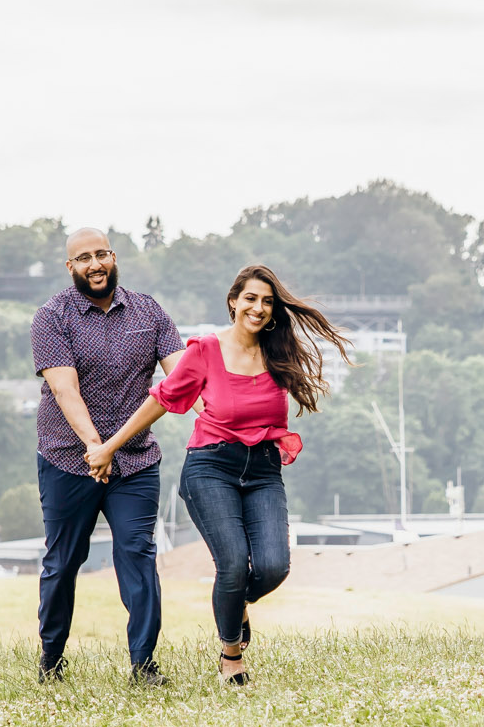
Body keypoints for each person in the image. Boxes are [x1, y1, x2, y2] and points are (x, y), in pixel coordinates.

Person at [94, 264, 351, 686]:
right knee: (231, 564)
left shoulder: (277, 351)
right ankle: (232, 654)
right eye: (251, 298)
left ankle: (235, 603)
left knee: (273, 566)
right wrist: (109, 446)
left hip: (264, 469)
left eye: (268, 302)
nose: (259, 308)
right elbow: (162, 400)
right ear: (234, 302)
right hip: (211, 466)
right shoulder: (206, 350)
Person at [31, 226, 186, 684]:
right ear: (71, 267)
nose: (94, 264)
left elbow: (180, 380)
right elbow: (64, 389)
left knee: (137, 554)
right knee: (63, 562)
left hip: (136, 462)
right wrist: (96, 448)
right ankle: (52, 661)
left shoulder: (149, 311)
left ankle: (144, 665)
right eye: (84, 258)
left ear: (114, 257)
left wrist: (217, 409)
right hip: (67, 458)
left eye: (101, 254)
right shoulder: (52, 316)